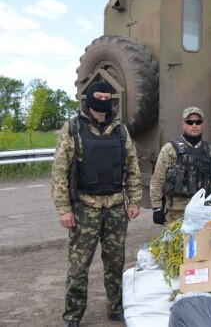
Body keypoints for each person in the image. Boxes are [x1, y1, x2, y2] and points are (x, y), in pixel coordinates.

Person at [51, 81, 142, 327]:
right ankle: (73, 315)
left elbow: (133, 168)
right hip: (84, 208)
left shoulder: (120, 130)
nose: (102, 100)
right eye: (97, 96)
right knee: (79, 268)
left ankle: (115, 308)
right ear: (89, 98)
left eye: (106, 96)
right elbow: (59, 172)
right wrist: (64, 209)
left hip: (114, 208)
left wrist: (134, 201)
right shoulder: (73, 128)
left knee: (115, 264)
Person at [150, 106, 211, 224]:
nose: (194, 125)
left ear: (203, 125)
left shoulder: (210, 152)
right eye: (190, 122)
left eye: (198, 122)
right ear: (183, 124)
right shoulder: (170, 149)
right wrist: (157, 207)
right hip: (177, 214)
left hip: (204, 212)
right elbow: (157, 179)